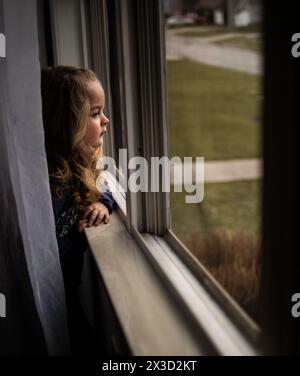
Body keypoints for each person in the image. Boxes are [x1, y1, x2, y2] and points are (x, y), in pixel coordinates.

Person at [41, 66, 115, 355]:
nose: (105, 119)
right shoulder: (47, 182)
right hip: (46, 295)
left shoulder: (81, 164)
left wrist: (101, 202)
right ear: (66, 121)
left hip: (66, 292)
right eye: (95, 113)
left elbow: (106, 185)